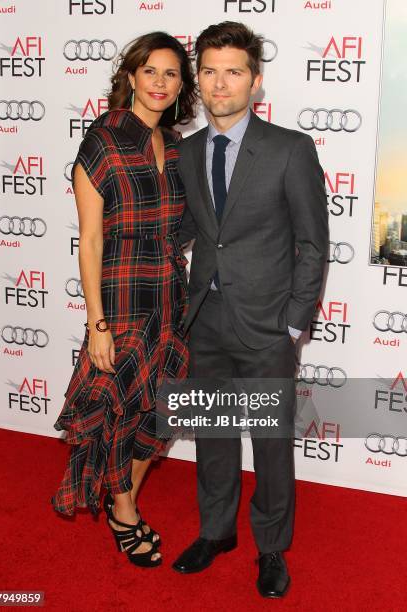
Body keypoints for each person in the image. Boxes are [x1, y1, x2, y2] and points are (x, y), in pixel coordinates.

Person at [172, 22, 328, 597]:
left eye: (233, 71)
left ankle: (270, 548)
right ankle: (216, 532)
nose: (220, 82)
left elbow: (312, 243)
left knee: (270, 444)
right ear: (199, 79)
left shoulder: (289, 149)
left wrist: (293, 321)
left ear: (254, 81)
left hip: (266, 326)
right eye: (209, 70)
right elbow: (194, 230)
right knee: (212, 436)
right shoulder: (187, 151)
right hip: (204, 320)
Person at [52, 32, 197, 568]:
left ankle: (126, 498)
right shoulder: (104, 140)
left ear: (182, 85)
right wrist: (97, 324)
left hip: (169, 293)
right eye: (150, 71)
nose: (160, 83)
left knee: (158, 415)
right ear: (131, 76)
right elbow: (89, 239)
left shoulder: (178, 146)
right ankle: (122, 511)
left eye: (172, 74)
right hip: (122, 295)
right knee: (119, 411)